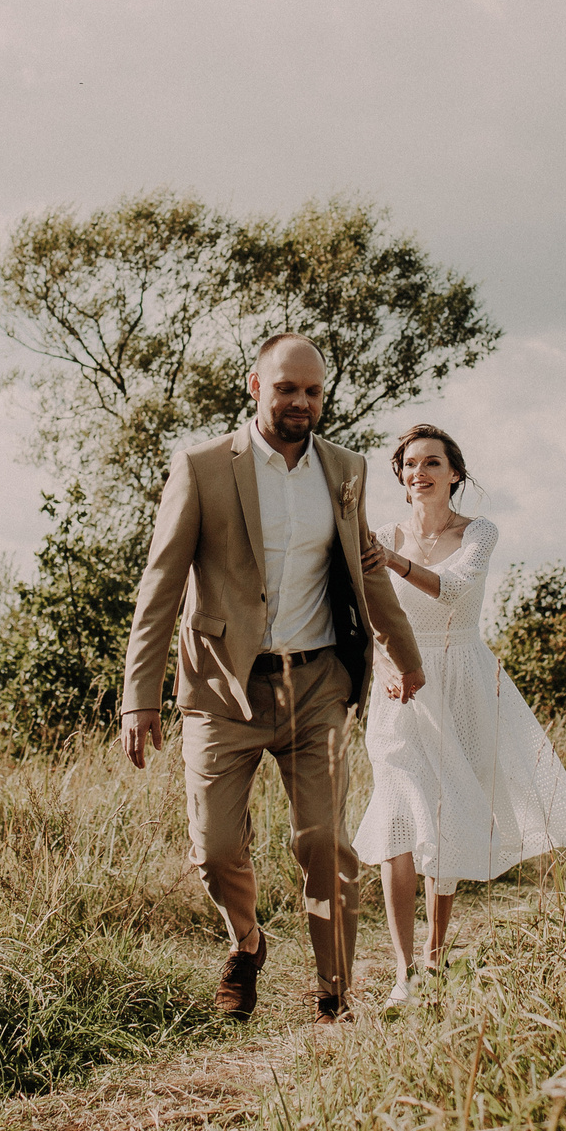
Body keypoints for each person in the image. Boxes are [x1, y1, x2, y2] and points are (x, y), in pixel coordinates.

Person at [120, 334, 427, 1023]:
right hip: (221, 690)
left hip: (316, 682)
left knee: (325, 839)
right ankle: (248, 942)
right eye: (287, 387)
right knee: (215, 846)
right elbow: (161, 583)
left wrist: (405, 654)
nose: (301, 402)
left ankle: (335, 994)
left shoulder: (346, 469)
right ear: (255, 386)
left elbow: (365, 566)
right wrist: (138, 695)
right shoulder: (202, 467)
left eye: (313, 391)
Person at [355, 424, 566, 1006]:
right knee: (398, 816)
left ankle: (436, 955)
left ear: (454, 474)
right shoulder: (380, 534)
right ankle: (402, 972)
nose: (420, 472)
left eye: (432, 462)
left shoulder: (478, 532)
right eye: (410, 464)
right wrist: (384, 660)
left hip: (463, 680)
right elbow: (362, 604)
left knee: (448, 812)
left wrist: (391, 559)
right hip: (397, 687)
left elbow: (457, 593)